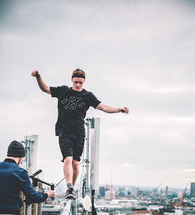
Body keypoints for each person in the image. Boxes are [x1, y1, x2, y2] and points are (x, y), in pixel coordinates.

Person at [31, 68, 129, 199]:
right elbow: (46, 89)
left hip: (79, 133)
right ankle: (69, 187)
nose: (78, 85)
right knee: (68, 159)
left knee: (76, 163)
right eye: (76, 82)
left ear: (84, 82)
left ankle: (71, 189)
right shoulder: (64, 91)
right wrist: (38, 77)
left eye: (80, 83)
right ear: (72, 80)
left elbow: (103, 107)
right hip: (64, 131)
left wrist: (119, 109)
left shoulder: (88, 96)